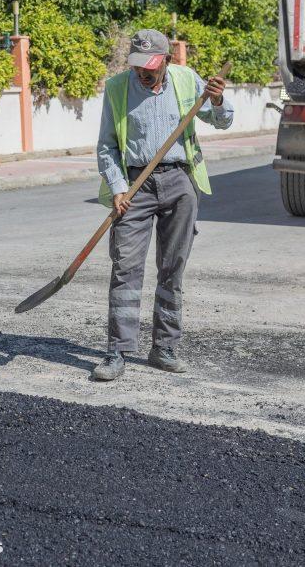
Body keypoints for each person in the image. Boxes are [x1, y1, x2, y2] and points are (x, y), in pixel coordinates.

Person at [92, 29, 233, 381]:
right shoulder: (117, 88)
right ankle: (117, 352)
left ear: (168, 60)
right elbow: (107, 146)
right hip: (135, 185)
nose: (143, 73)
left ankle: (164, 348)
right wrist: (119, 188)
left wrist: (216, 101)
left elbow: (223, 121)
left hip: (179, 181)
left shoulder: (187, 81)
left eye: (151, 66)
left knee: (173, 267)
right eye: (138, 66)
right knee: (125, 268)